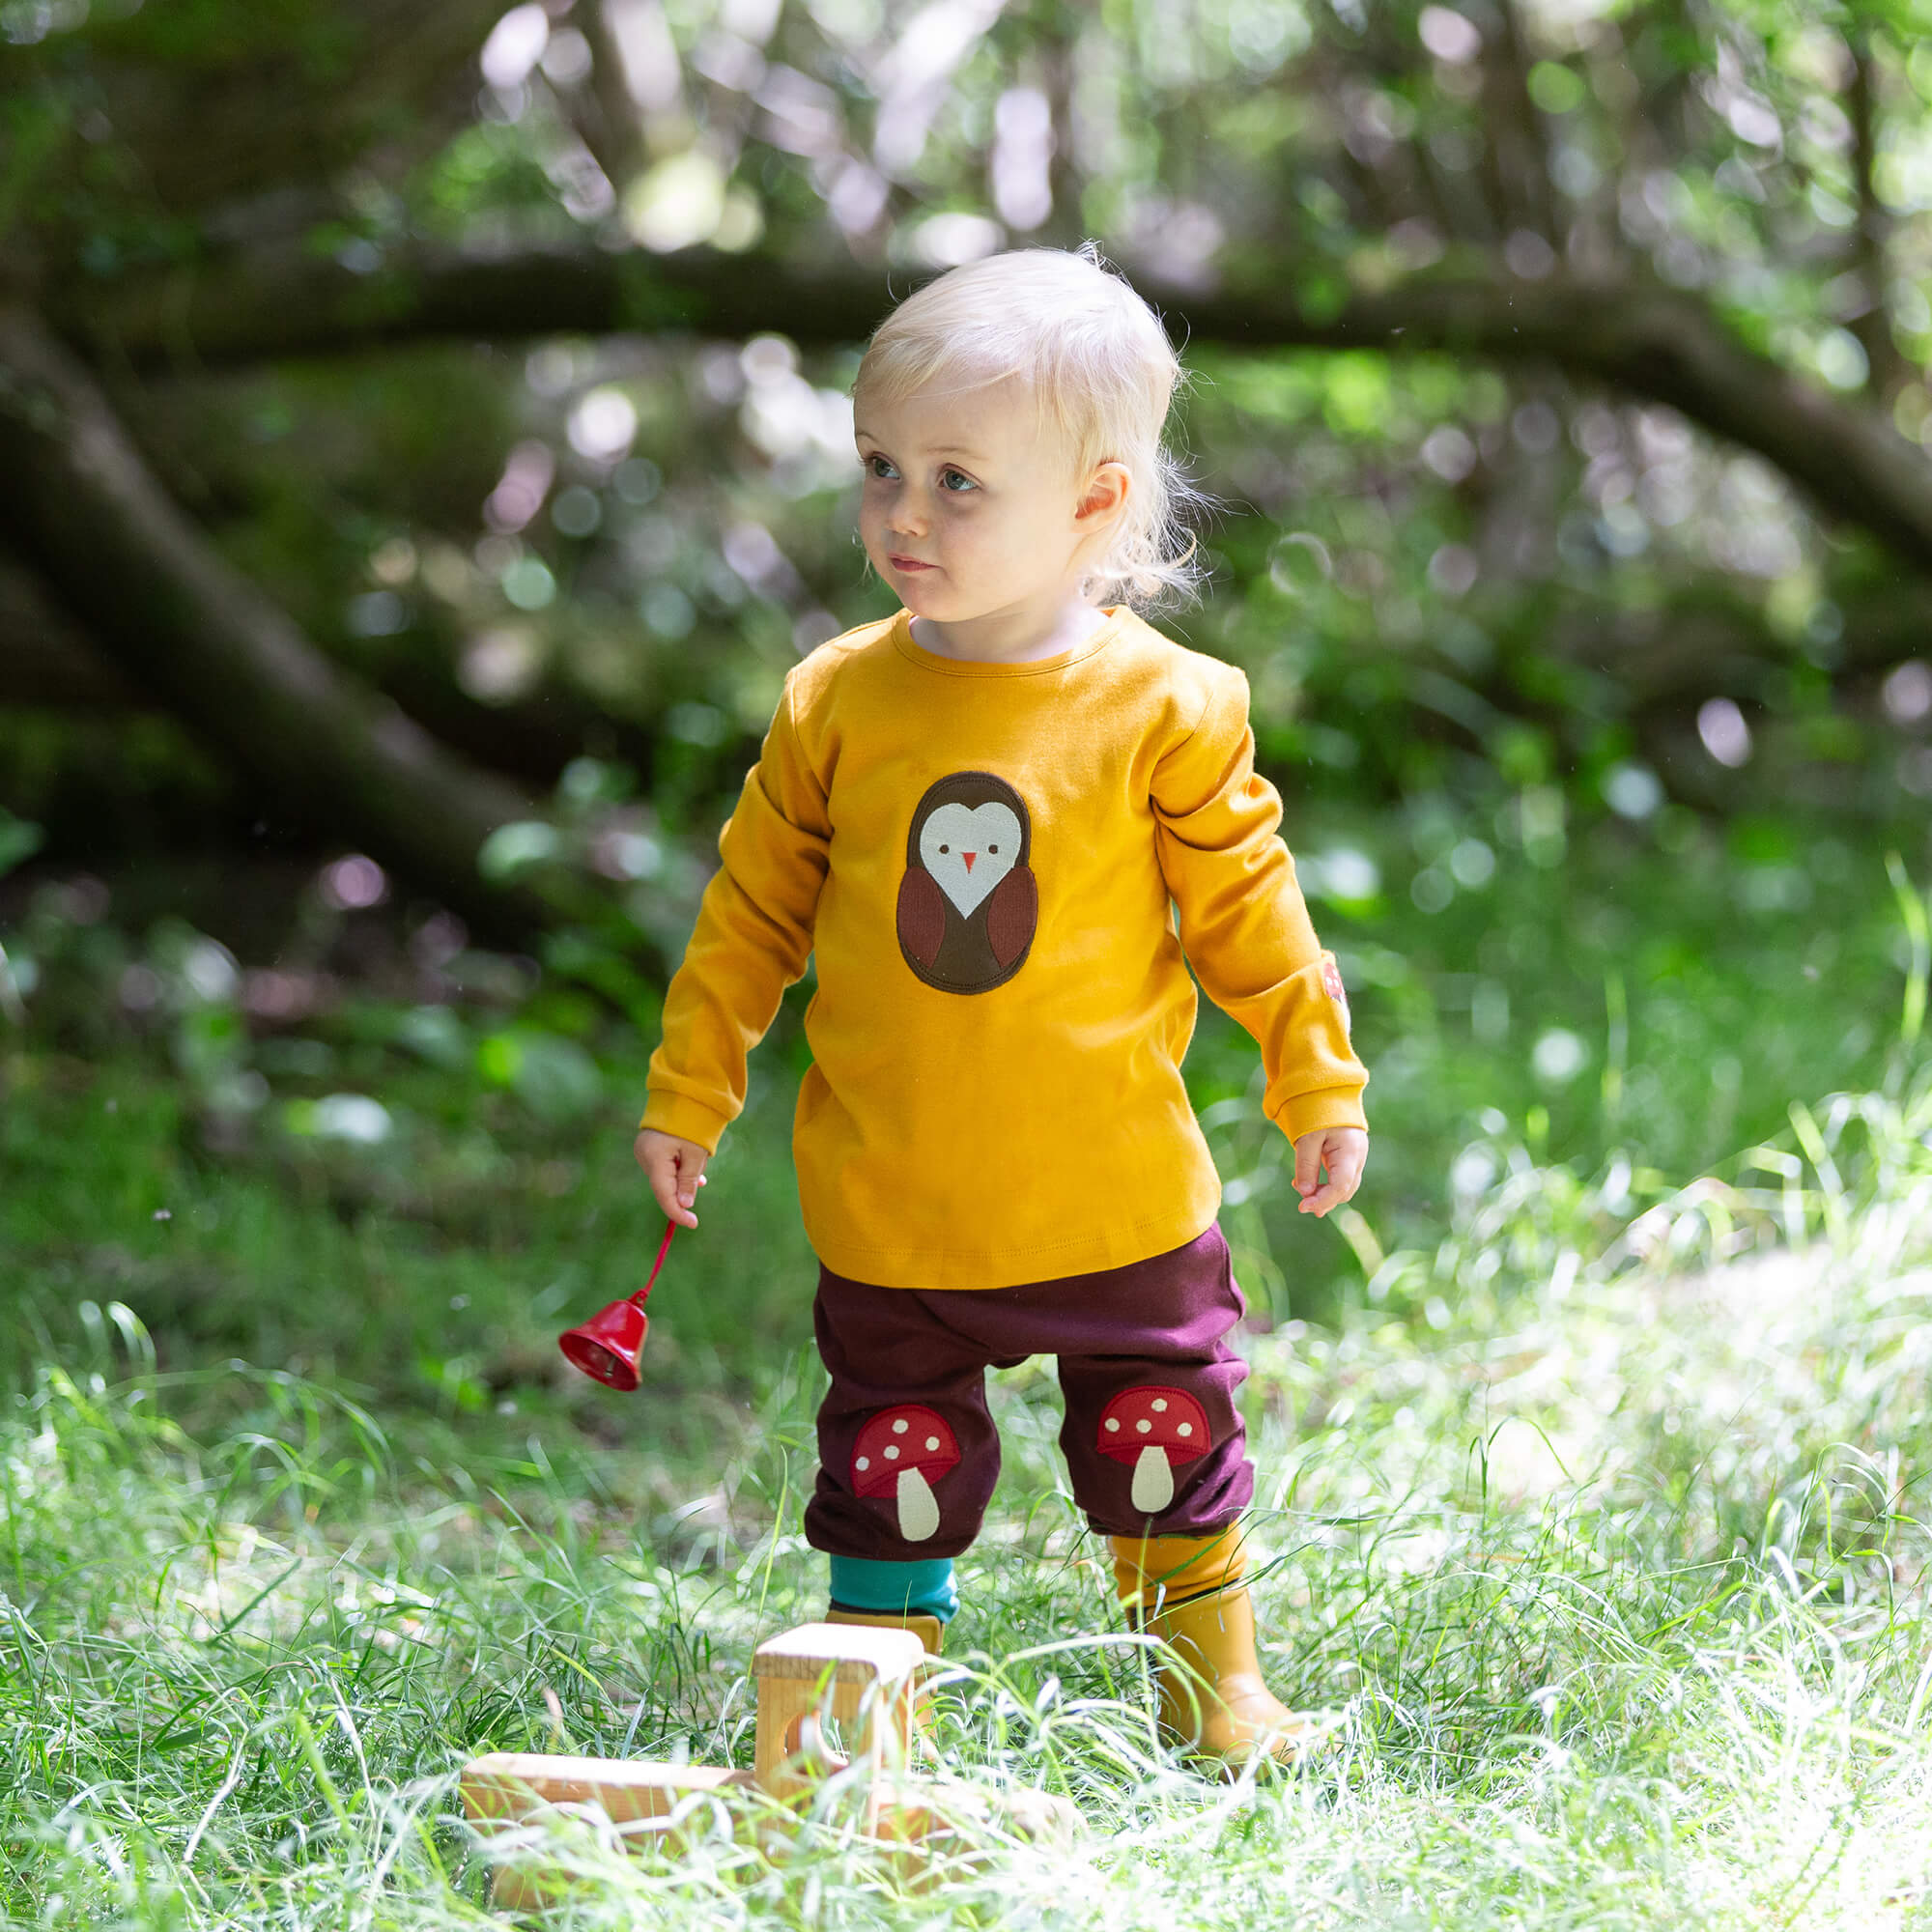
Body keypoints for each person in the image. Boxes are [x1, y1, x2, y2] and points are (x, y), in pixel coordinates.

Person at [635, 244, 1368, 1766]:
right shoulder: (838, 702)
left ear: (1096, 502)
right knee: (891, 1454)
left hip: (1114, 1195)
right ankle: (866, 1709)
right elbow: (750, 914)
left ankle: (1211, 1688)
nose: (902, 514)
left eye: (957, 481)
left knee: (1163, 1431)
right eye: (881, 467)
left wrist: (1316, 1075)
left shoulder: (1166, 708)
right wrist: (691, 1087)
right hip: (897, 1196)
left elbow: (1251, 914)